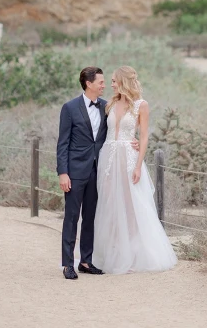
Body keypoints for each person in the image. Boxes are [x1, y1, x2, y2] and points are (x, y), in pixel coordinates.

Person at [92, 66, 177, 274]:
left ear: (123, 81)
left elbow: (145, 136)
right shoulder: (109, 104)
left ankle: (131, 255)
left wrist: (139, 164)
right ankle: (111, 253)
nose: (110, 85)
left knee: (132, 207)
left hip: (129, 160)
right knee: (110, 204)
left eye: (113, 81)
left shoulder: (141, 105)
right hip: (108, 158)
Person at [57, 66, 137, 279]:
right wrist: (62, 172)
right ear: (88, 83)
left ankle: (86, 260)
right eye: (101, 82)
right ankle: (67, 264)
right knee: (72, 217)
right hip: (74, 172)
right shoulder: (69, 108)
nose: (104, 86)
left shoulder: (107, 106)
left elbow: (117, 131)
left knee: (91, 217)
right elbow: (62, 144)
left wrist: (133, 143)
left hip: (99, 171)